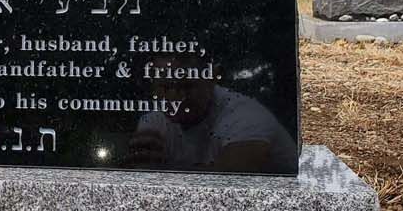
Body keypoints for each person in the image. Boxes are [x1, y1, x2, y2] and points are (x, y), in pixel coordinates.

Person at [125, 62, 298, 173]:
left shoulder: (247, 116)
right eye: (165, 86)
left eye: (187, 86)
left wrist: (159, 169)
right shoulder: (155, 121)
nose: (175, 96)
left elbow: (233, 178)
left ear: (211, 79)